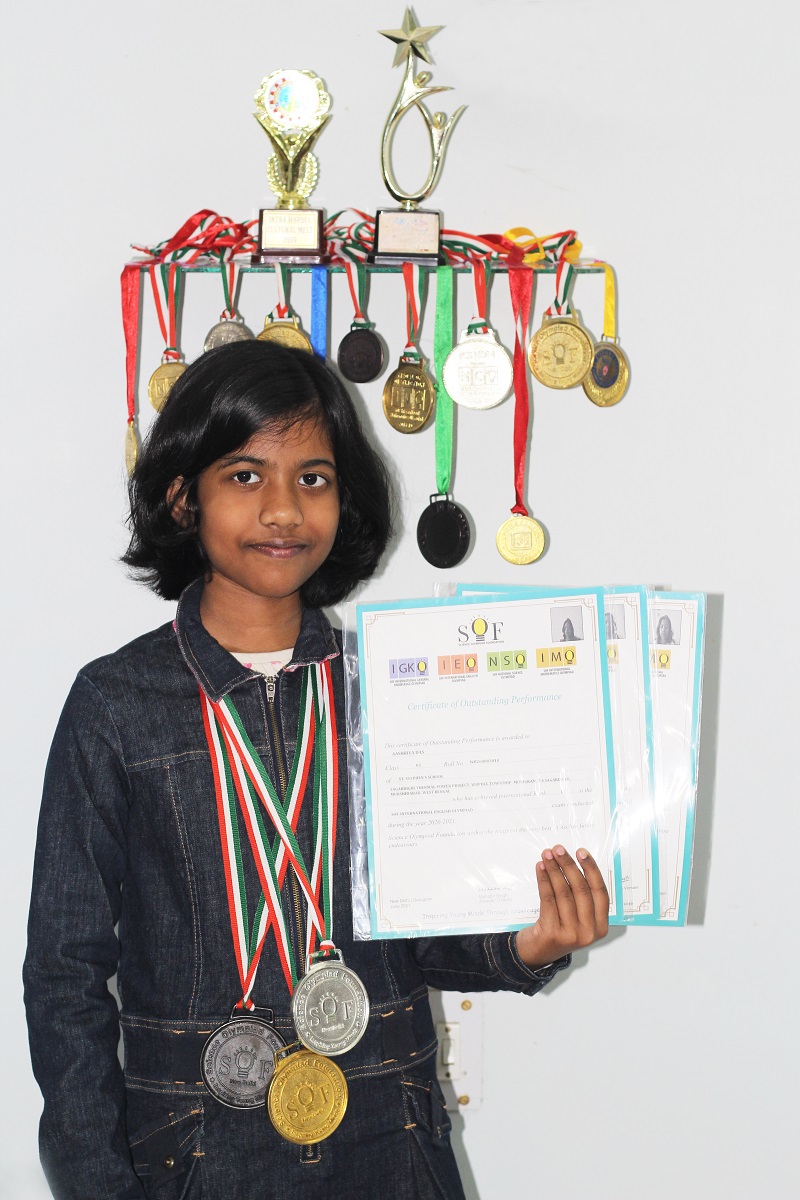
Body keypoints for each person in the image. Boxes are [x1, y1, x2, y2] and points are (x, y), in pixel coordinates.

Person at [24, 341, 609, 1200]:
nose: (283, 510)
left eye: (313, 478)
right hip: (194, 1146)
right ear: (183, 497)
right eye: (245, 475)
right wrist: (94, 1182)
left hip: (391, 1131)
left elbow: (419, 925)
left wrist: (530, 943)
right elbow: (64, 974)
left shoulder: (393, 689)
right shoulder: (116, 706)